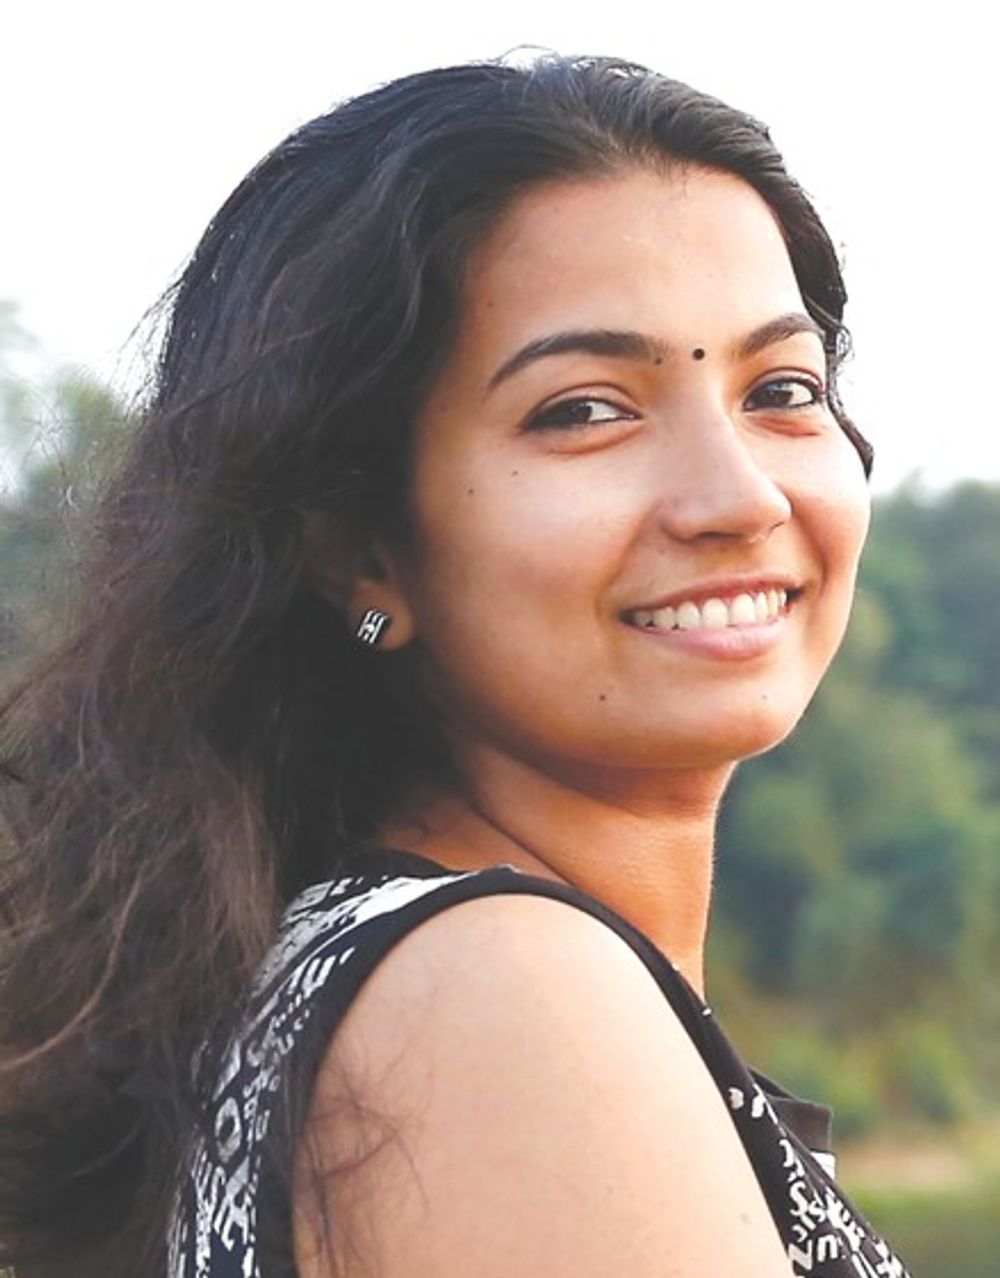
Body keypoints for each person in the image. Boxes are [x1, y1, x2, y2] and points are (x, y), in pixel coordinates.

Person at [0, 54, 912, 1278]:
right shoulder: (503, 993)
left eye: (782, 389)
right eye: (584, 409)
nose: (739, 497)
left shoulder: (352, 978)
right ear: (360, 549)